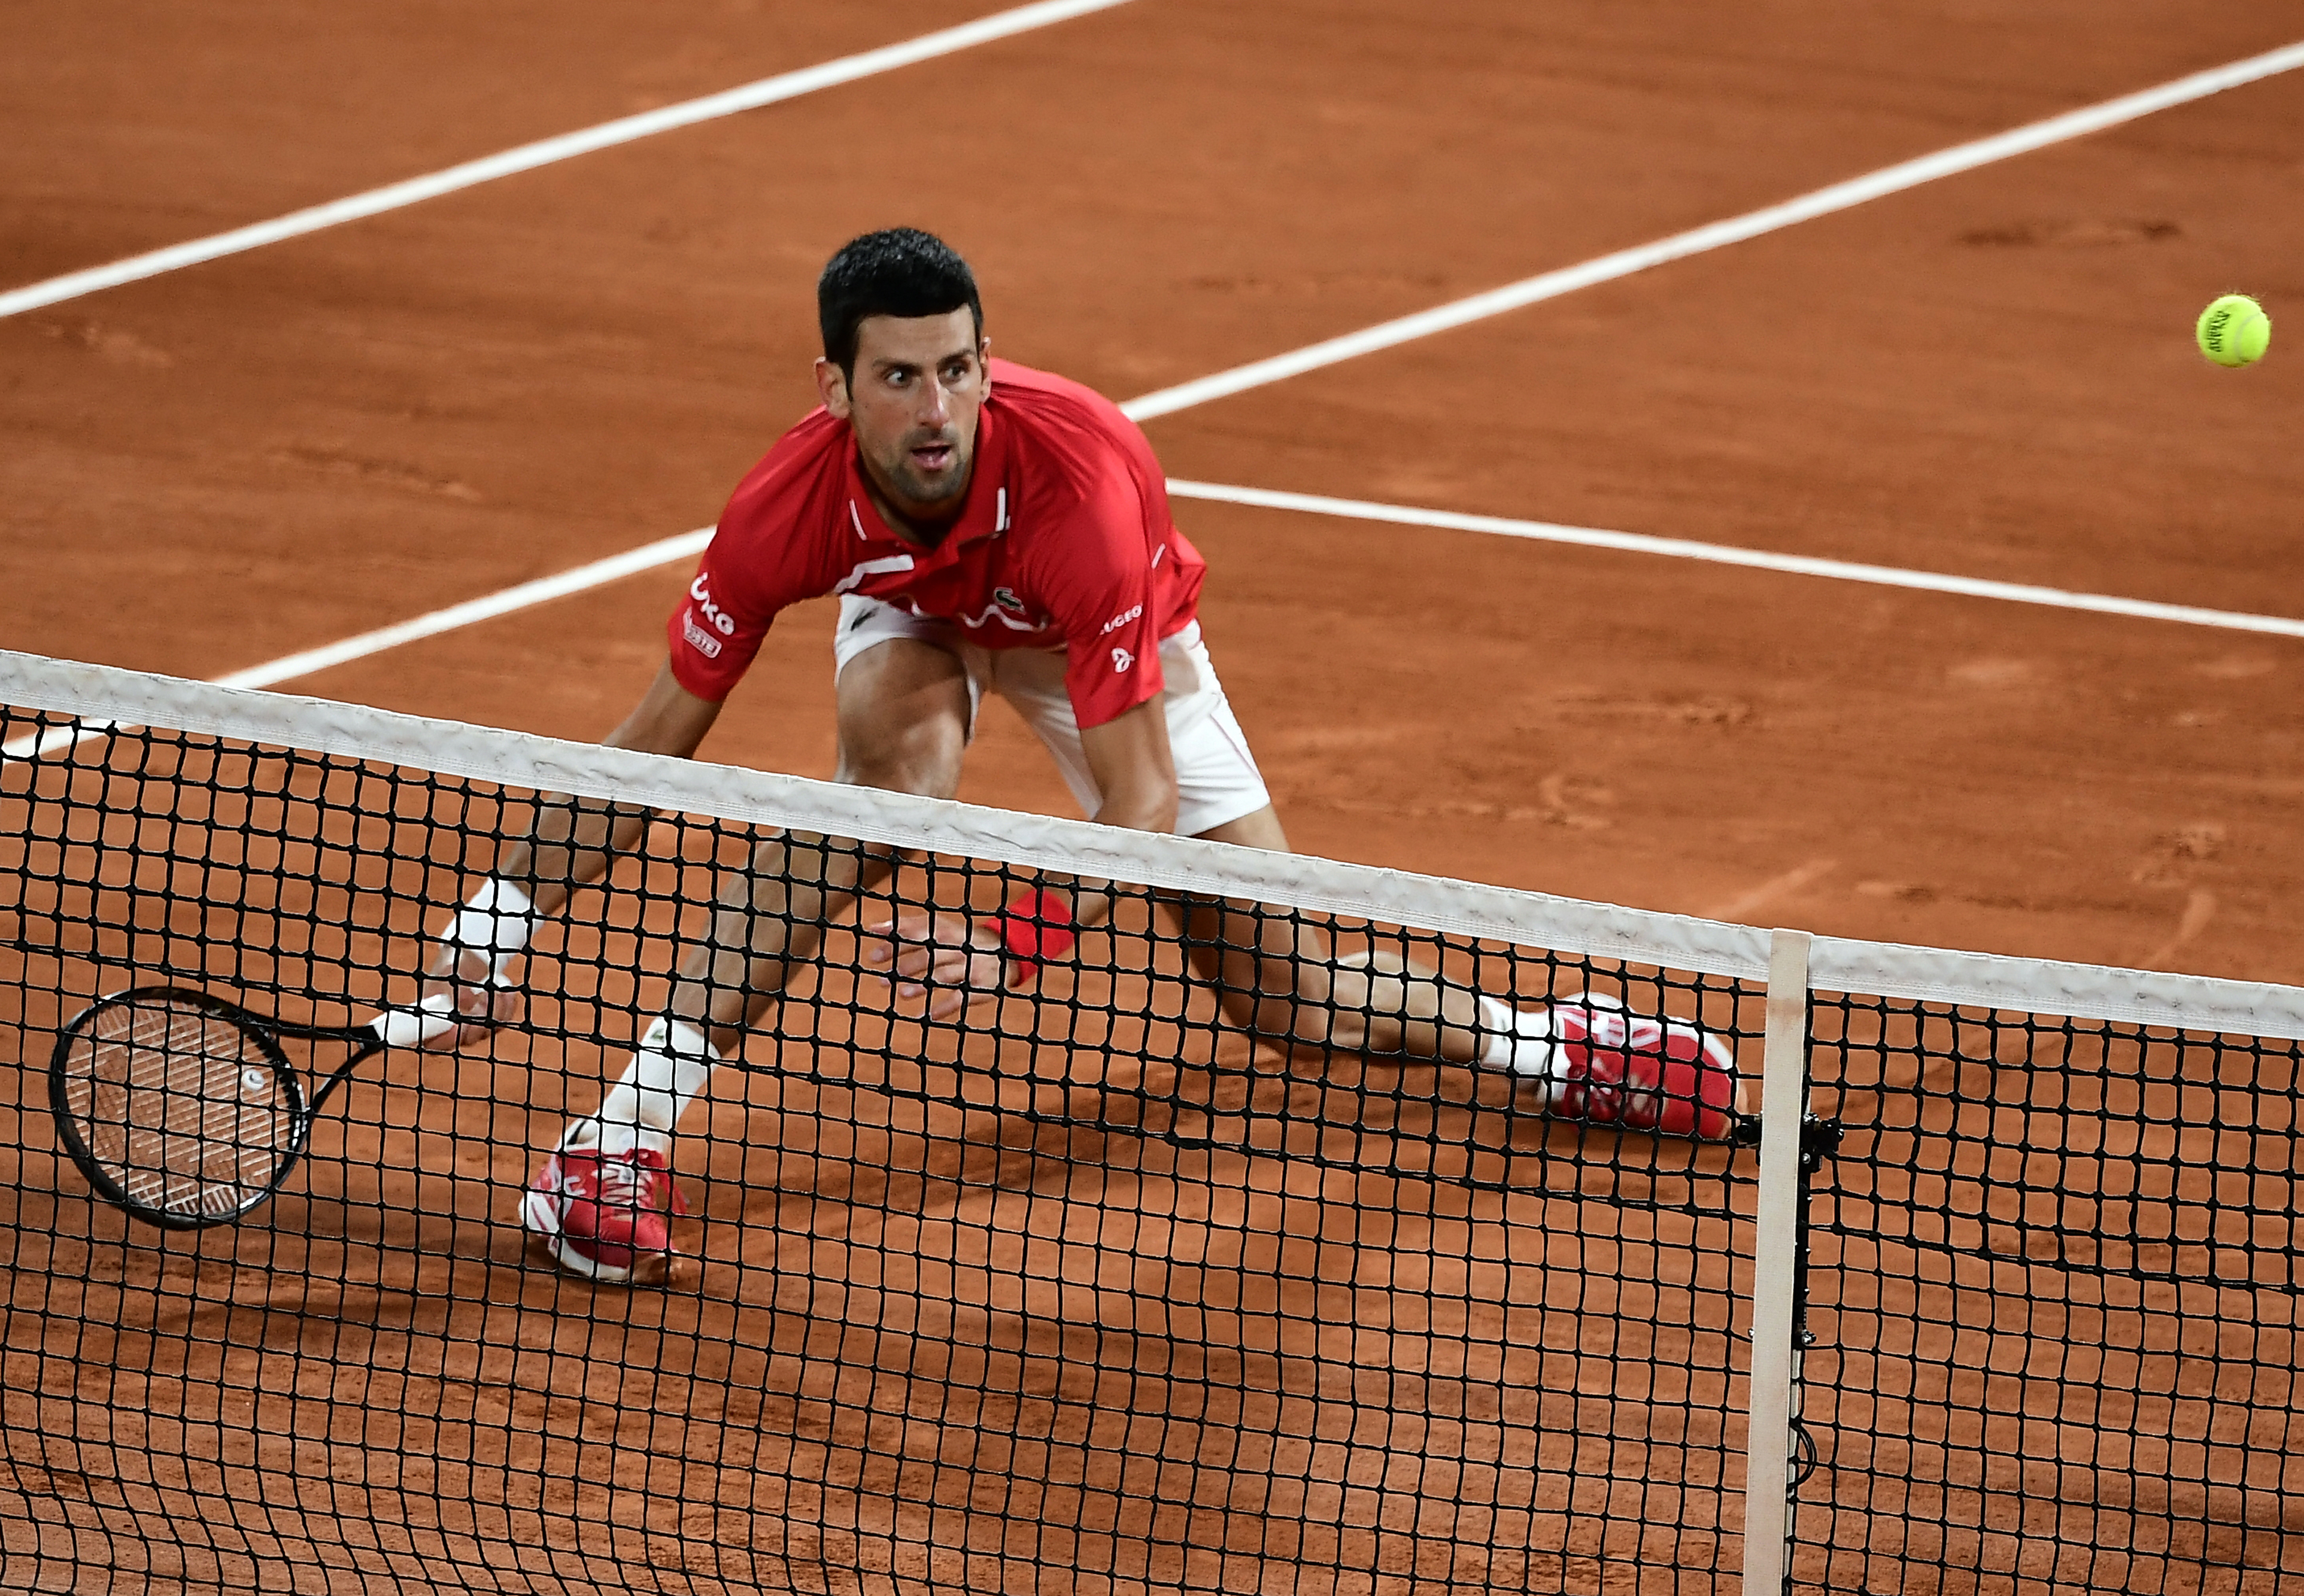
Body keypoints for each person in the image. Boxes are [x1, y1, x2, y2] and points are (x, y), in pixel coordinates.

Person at [421, 228, 1739, 1285]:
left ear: (987, 362)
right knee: (879, 800)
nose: (934, 409)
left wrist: (1021, 935)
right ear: (832, 389)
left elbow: (1140, 796)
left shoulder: (1082, 490)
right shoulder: (788, 506)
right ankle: (617, 1137)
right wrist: (501, 911)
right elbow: (657, 744)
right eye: (897, 377)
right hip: (917, 614)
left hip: (1096, 635)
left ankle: (1553, 1047)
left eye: (956, 369)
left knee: (1292, 1002)